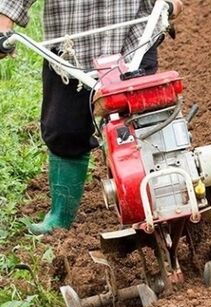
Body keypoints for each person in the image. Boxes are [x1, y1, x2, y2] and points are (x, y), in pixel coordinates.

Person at [0, 0, 183, 235]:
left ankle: (161, 204)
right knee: (64, 130)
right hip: (71, 51)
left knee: (145, 125)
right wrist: (4, 22)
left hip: (134, 41)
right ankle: (59, 219)